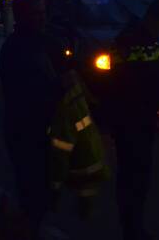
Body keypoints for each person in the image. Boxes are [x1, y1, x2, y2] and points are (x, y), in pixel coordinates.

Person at [104, 0, 159, 240]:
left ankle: (135, 226)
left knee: (140, 177)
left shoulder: (147, 40)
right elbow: (127, 82)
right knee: (132, 177)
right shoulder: (131, 41)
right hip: (130, 120)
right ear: (155, 18)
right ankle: (131, 228)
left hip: (141, 119)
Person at [0, 0, 63, 237]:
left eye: (43, 13)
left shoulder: (39, 43)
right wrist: (59, 87)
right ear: (22, 17)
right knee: (32, 190)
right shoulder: (18, 49)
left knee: (41, 190)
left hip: (37, 130)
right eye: (36, 14)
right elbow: (31, 91)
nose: (42, 18)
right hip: (25, 130)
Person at [47, 49, 111, 220]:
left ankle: (82, 212)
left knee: (85, 183)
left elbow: (61, 150)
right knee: (87, 187)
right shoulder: (75, 86)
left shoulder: (63, 110)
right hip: (91, 149)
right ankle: (86, 211)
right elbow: (92, 101)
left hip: (81, 158)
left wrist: (54, 188)